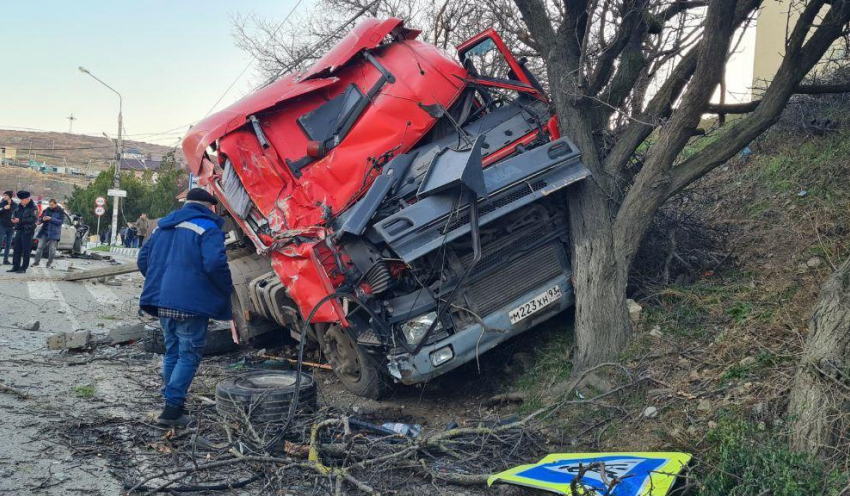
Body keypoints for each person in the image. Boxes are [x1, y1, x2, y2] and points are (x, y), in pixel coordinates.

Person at [138, 188, 234, 427]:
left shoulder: (162, 226)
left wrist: (160, 281)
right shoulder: (207, 226)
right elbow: (214, 263)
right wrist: (224, 287)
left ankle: (173, 404)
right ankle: (171, 410)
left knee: (172, 351)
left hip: (162, 301)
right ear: (209, 206)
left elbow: (142, 259)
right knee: (189, 354)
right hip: (190, 304)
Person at [7, 191, 38, 274]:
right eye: (20, 199)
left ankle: (23, 267)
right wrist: (13, 219)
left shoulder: (33, 208)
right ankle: (15, 266)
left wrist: (20, 220)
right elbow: (14, 213)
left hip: (27, 231)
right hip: (19, 230)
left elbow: (33, 220)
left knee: (26, 250)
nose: (21, 201)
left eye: (22, 199)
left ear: (28, 199)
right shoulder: (19, 206)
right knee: (16, 249)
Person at [32, 199, 65, 268]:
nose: (51, 206)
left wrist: (51, 219)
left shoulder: (60, 212)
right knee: (39, 247)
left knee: (52, 250)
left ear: (56, 204)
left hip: (54, 232)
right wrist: (41, 220)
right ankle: (36, 262)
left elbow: (60, 222)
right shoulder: (46, 210)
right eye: (50, 205)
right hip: (44, 231)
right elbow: (40, 218)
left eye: (52, 205)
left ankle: (49, 263)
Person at [0, 191, 15, 265]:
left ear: (9, 196)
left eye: (6, 195)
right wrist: (3, 208)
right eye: (4, 195)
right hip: (2, 226)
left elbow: (17, 214)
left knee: (8, 244)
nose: (4, 196)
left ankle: (5, 260)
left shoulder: (15, 204)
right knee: (0, 243)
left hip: (11, 227)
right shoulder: (2, 203)